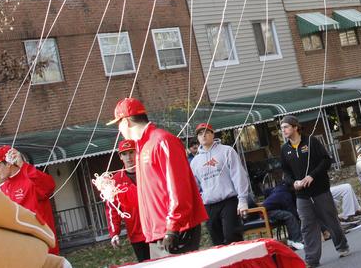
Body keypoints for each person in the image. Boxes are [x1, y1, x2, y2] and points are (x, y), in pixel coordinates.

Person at [108, 97, 207, 258]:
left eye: (119, 124)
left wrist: (172, 228)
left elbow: (179, 188)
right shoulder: (142, 147)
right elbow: (147, 194)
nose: (119, 130)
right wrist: (112, 191)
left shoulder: (162, 141)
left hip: (174, 230)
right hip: (158, 232)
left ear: (126, 122)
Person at [278, 115, 349, 268]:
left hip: (320, 190)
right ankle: (311, 260)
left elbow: (326, 160)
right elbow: (286, 173)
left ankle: (342, 246)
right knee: (307, 226)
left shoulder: (311, 141)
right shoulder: (285, 149)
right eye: (282, 128)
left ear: (295, 127)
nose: (283, 130)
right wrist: (294, 183)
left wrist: (312, 176)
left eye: (286, 127)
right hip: (301, 195)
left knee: (330, 219)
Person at [0, 146, 59, 256]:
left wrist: (23, 166)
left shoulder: (30, 178)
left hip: (43, 248)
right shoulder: (3, 187)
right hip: (22, 249)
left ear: (8, 163)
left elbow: (49, 186)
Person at [189, 122, 250, 246]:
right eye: (200, 133)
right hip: (209, 206)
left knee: (232, 237)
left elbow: (238, 175)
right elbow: (194, 186)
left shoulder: (227, 151)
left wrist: (242, 200)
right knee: (218, 243)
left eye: (206, 132)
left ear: (213, 134)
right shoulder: (195, 162)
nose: (203, 135)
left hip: (229, 202)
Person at [103, 140, 147, 262]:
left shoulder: (148, 172)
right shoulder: (115, 181)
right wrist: (114, 233)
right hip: (136, 234)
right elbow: (112, 209)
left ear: (137, 153)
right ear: (120, 156)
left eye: (131, 152)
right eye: (125, 153)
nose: (129, 157)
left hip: (156, 229)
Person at [262, 181, 306, 251]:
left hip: (267, 210)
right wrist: (299, 217)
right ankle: (298, 240)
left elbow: (266, 191)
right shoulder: (286, 195)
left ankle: (292, 240)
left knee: (288, 216)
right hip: (267, 212)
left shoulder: (279, 189)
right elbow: (291, 210)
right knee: (289, 216)